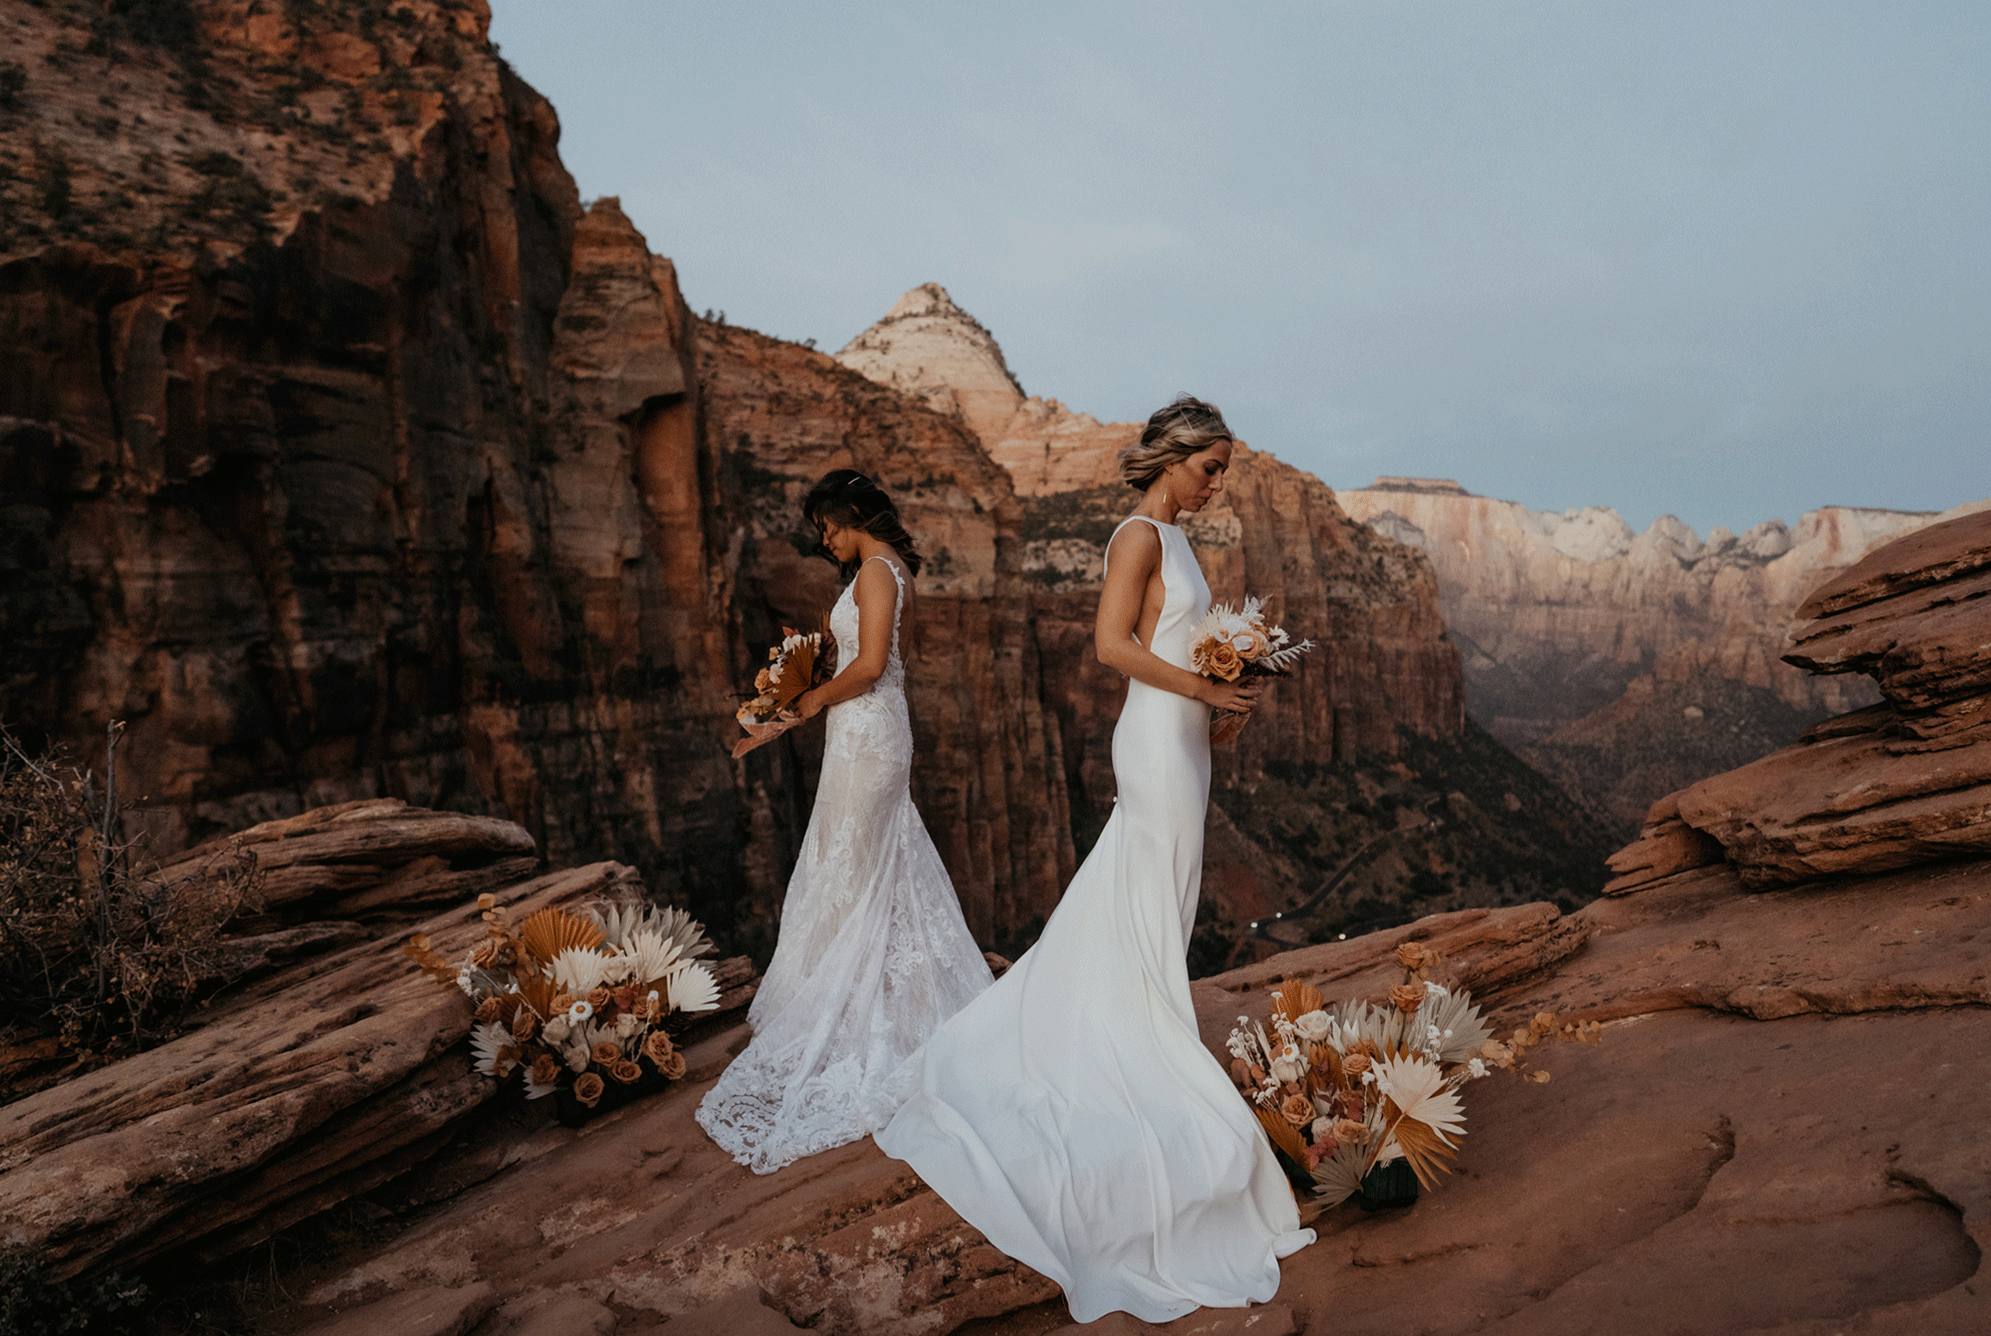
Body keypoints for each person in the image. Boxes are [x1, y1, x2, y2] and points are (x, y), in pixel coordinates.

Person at [874, 396, 1315, 1323]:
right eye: (1210, 467)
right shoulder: (1135, 537)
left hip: (1185, 737)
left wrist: (1225, 697)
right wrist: (1202, 686)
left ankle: (1133, 1019)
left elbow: (1174, 639)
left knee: (1156, 899)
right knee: (1148, 894)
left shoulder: (1180, 540)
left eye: (1224, 470)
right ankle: (1132, 1049)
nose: (1217, 483)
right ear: (1170, 459)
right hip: (1154, 741)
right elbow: (1113, 646)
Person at [697, 469, 993, 1173]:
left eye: (827, 526)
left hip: (869, 730)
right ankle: (870, 999)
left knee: (859, 863)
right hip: (858, 732)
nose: (824, 540)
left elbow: (870, 666)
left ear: (854, 514)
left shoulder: (878, 572)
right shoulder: (872, 571)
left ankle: (866, 1019)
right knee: (856, 861)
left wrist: (806, 702)